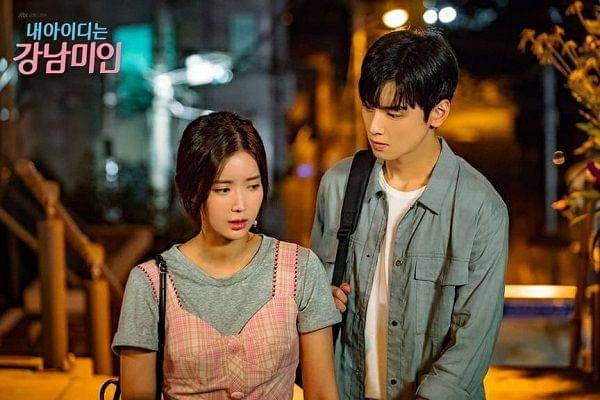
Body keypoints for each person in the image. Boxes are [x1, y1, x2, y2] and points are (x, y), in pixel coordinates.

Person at [311, 29, 509, 400]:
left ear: (438, 112)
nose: (375, 126)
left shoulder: (480, 207)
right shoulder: (339, 185)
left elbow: (471, 347)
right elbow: (314, 308)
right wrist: (322, 301)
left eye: (394, 113)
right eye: (369, 107)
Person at [112, 111, 341, 400]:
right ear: (193, 191)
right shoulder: (151, 283)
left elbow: (321, 394)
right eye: (223, 189)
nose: (241, 204)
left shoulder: (300, 269)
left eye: (253, 186)